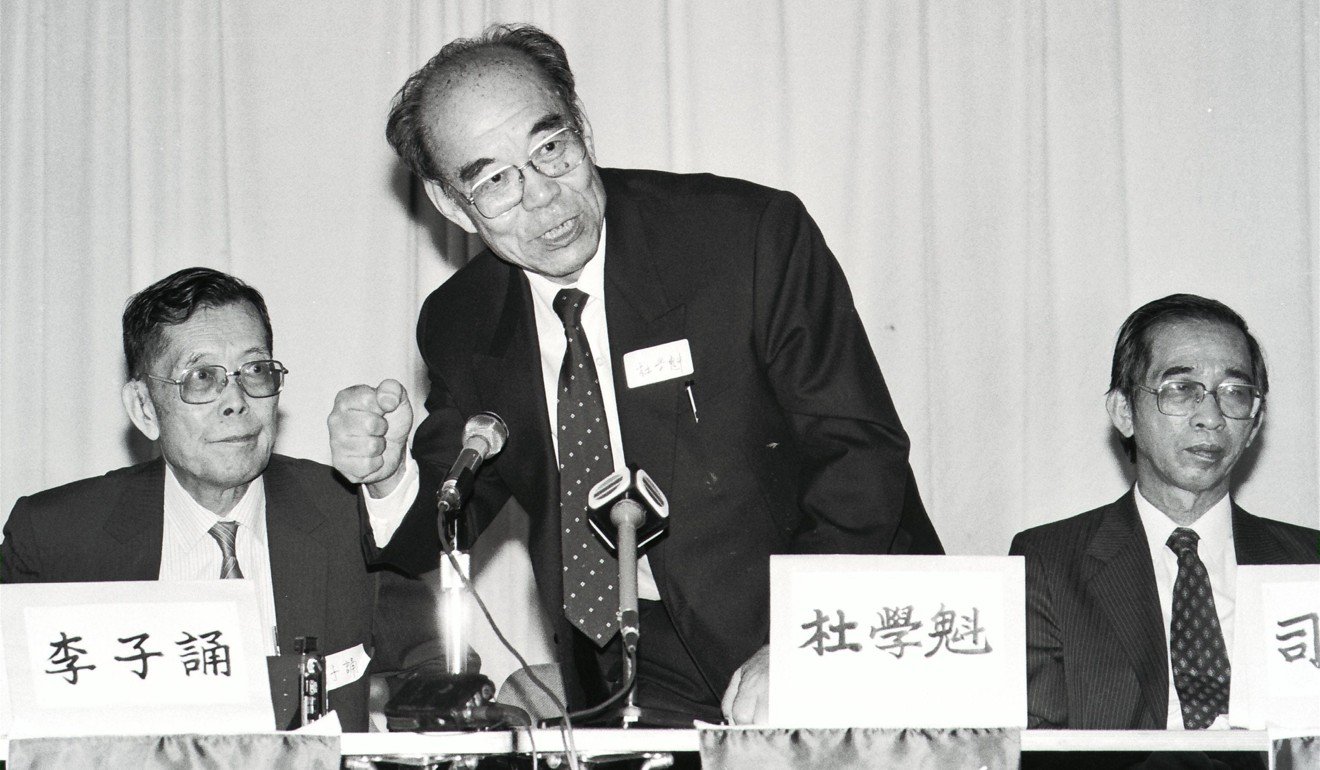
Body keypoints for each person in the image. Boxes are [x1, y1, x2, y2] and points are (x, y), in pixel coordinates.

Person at [328, 23, 942, 726]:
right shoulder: (461, 320)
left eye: (551, 149)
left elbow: (859, 458)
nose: (544, 199)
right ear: (448, 204)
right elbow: (444, 515)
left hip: (828, 625)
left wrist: (802, 642)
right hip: (630, 663)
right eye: (495, 180)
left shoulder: (742, 238)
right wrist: (385, 476)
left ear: (581, 128)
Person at [1, 267, 406, 731]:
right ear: (145, 408)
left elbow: (436, 670)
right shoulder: (56, 539)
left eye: (255, 370)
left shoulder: (350, 515)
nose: (236, 400)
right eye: (201, 377)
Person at [1010, 294, 1319, 731]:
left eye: (1235, 394)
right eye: (1182, 390)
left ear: (1254, 422)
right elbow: (1038, 743)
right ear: (1124, 412)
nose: (1210, 417)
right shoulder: (1049, 562)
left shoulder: (1309, 564)